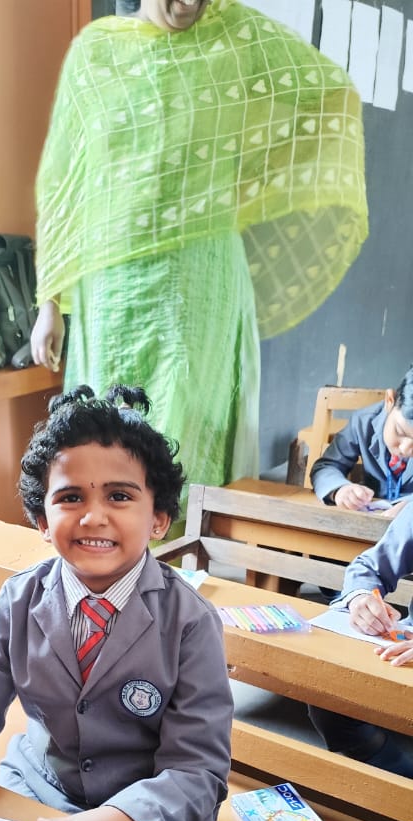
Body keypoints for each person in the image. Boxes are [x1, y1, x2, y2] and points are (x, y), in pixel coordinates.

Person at [0, 384, 233, 821]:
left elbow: (198, 768)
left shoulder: (190, 622)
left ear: (160, 520)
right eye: (70, 497)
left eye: (120, 496)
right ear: (42, 520)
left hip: (148, 820)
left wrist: (123, 820)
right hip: (38, 790)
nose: (94, 516)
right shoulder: (20, 600)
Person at [31, 0, 367, 493]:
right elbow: (65, 184)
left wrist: (248, 178)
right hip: (114, 292)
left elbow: (330, 95)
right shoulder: (96, 56)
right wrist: (50, 303)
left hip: (199, 282)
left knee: (184, 429)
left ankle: (176, 562)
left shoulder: (234, 40)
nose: (191, 1)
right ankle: (106, 558)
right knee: (105, 429)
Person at [308, 502, 413, 777]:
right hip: (404, 644)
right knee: (329, 691)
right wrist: (362, 598)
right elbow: (370, 566)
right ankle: (395, 776)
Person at [310, 367, 413, 517]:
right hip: (366, 521)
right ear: (390, 401)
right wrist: (340, 489)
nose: (405, 448)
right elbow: (326, 466)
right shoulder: (362, 422)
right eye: (400, 432)